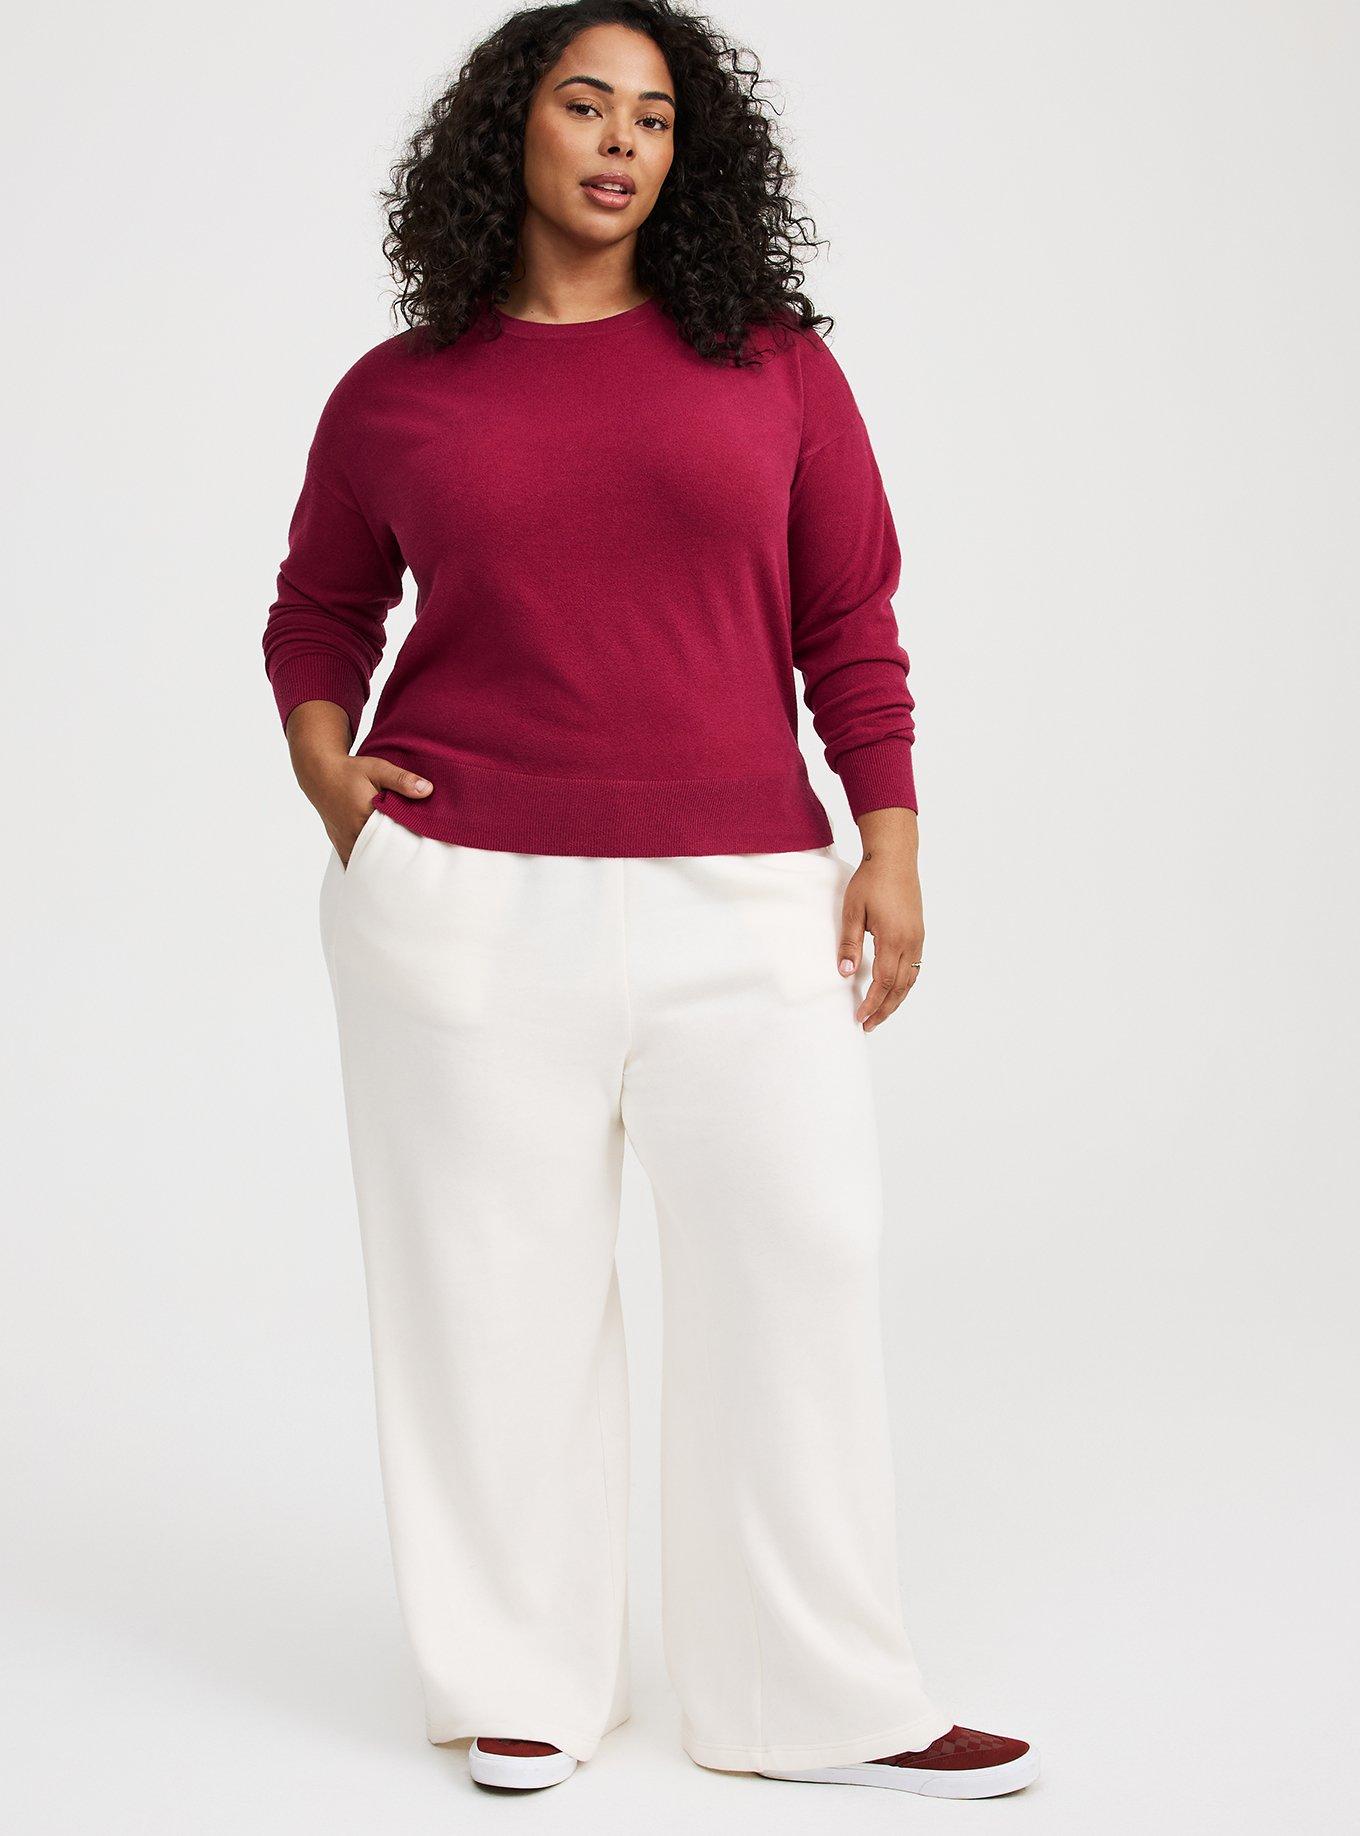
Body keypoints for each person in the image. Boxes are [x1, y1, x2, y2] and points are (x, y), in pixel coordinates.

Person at [261, 0, 1037, 1801]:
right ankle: (521, 1679)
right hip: (464, 900)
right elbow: (317, 609)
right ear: (510, 133)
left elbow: (849, 621)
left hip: (743, 892)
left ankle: (816, 1700)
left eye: (657, 117)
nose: (622, 141)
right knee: (492, 1296)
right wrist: (328, 774)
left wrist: (892, 838)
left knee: (800, 1264)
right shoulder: (397, 391)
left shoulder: (773, 368)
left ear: (691, 156)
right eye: (585, 104)